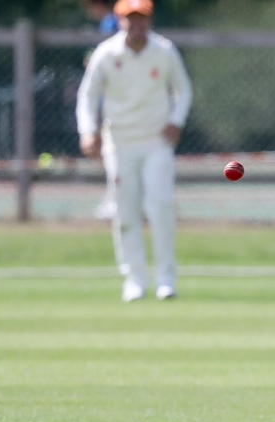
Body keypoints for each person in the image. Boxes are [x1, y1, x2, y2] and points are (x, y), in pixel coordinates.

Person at [76, 0, 193, 302]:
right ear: (119, 20)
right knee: (125, 212)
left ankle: (166, 279)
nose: (135, 24)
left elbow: (184, 91)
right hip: (119, 143)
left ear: (149, 20)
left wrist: (176, 121)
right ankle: (135, 280)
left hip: (156, 142)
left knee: (161, 207)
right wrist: (88, 131)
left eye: (141, 18)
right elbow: (87, 97)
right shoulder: (106, 53)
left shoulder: (164, 51)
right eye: (129, 18)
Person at [82, 0, 119, 221]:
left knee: (109, 151)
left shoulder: (110, 22)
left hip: (111, 100)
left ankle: (116, 200)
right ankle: (115, 197)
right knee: (107, 152)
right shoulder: (111, 21)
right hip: (110, 97)